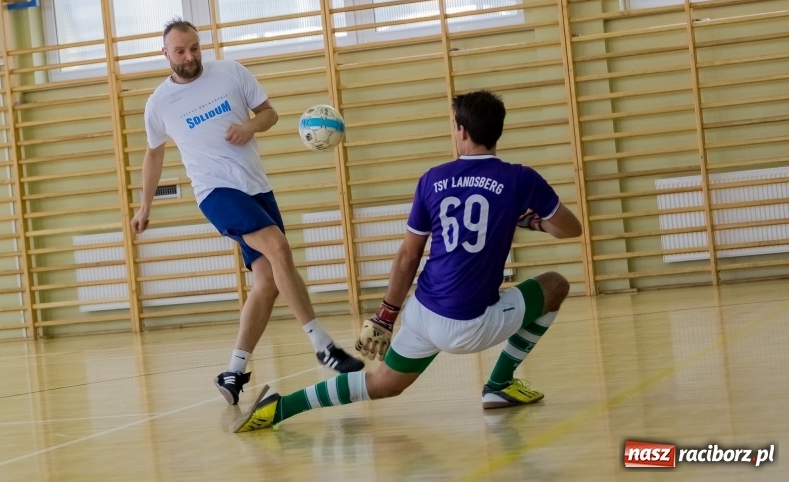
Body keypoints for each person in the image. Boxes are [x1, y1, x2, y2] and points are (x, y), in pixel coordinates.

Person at [231, 89, 582, 432]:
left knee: (384, 384)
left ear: (461, 130)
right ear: (498, 131)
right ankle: (500, 384)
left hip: (422, 312)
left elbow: (407, 257)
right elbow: (569, 229)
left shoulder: (433, 179)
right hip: (468, 325)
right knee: (555, 285)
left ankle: (279, 408)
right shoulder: (520, 179)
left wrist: (386, 316)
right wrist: (529, 219)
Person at [131, 18, 363, 406]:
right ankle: (322, 346)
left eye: (194, 47)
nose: (190, 56)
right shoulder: (159, 104)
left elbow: (269, 114)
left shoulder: (230, 72)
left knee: (268, 283)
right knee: (279, 248)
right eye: (180, 51)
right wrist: (145, 205)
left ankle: (233, 372)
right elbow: (154, 154)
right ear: (165, 54)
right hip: (215, 192)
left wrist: (251, 127)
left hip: (256, 187)